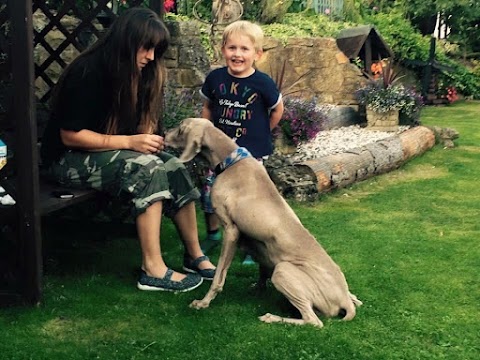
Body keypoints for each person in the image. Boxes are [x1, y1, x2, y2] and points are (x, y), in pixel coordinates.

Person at [40, 7, 215, 292]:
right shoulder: (89, 71)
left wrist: (146, 138)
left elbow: (141, 128)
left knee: (173, 165)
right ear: (127, 41)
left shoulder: (141, 71)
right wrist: (131, 143)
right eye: (146, 49)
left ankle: (194, 255)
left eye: (155, 51)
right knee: (147, 169)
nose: (150, 57)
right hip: (65, 159)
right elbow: (70, 136)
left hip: (106, 153)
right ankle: (153, 270)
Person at [199, 20, 284, 263]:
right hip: (219, 155)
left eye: (244, 49)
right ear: (223, 49)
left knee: (250, 203)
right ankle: (213, 234)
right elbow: (207, 107)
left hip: (251, 155)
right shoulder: (215, 79)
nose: (237, 54)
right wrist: (206, 134)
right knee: (210, 194)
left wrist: (262, 132)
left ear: (257, 54)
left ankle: (251, 248)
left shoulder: (263, 83)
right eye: (232, 48)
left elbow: (278, 110)